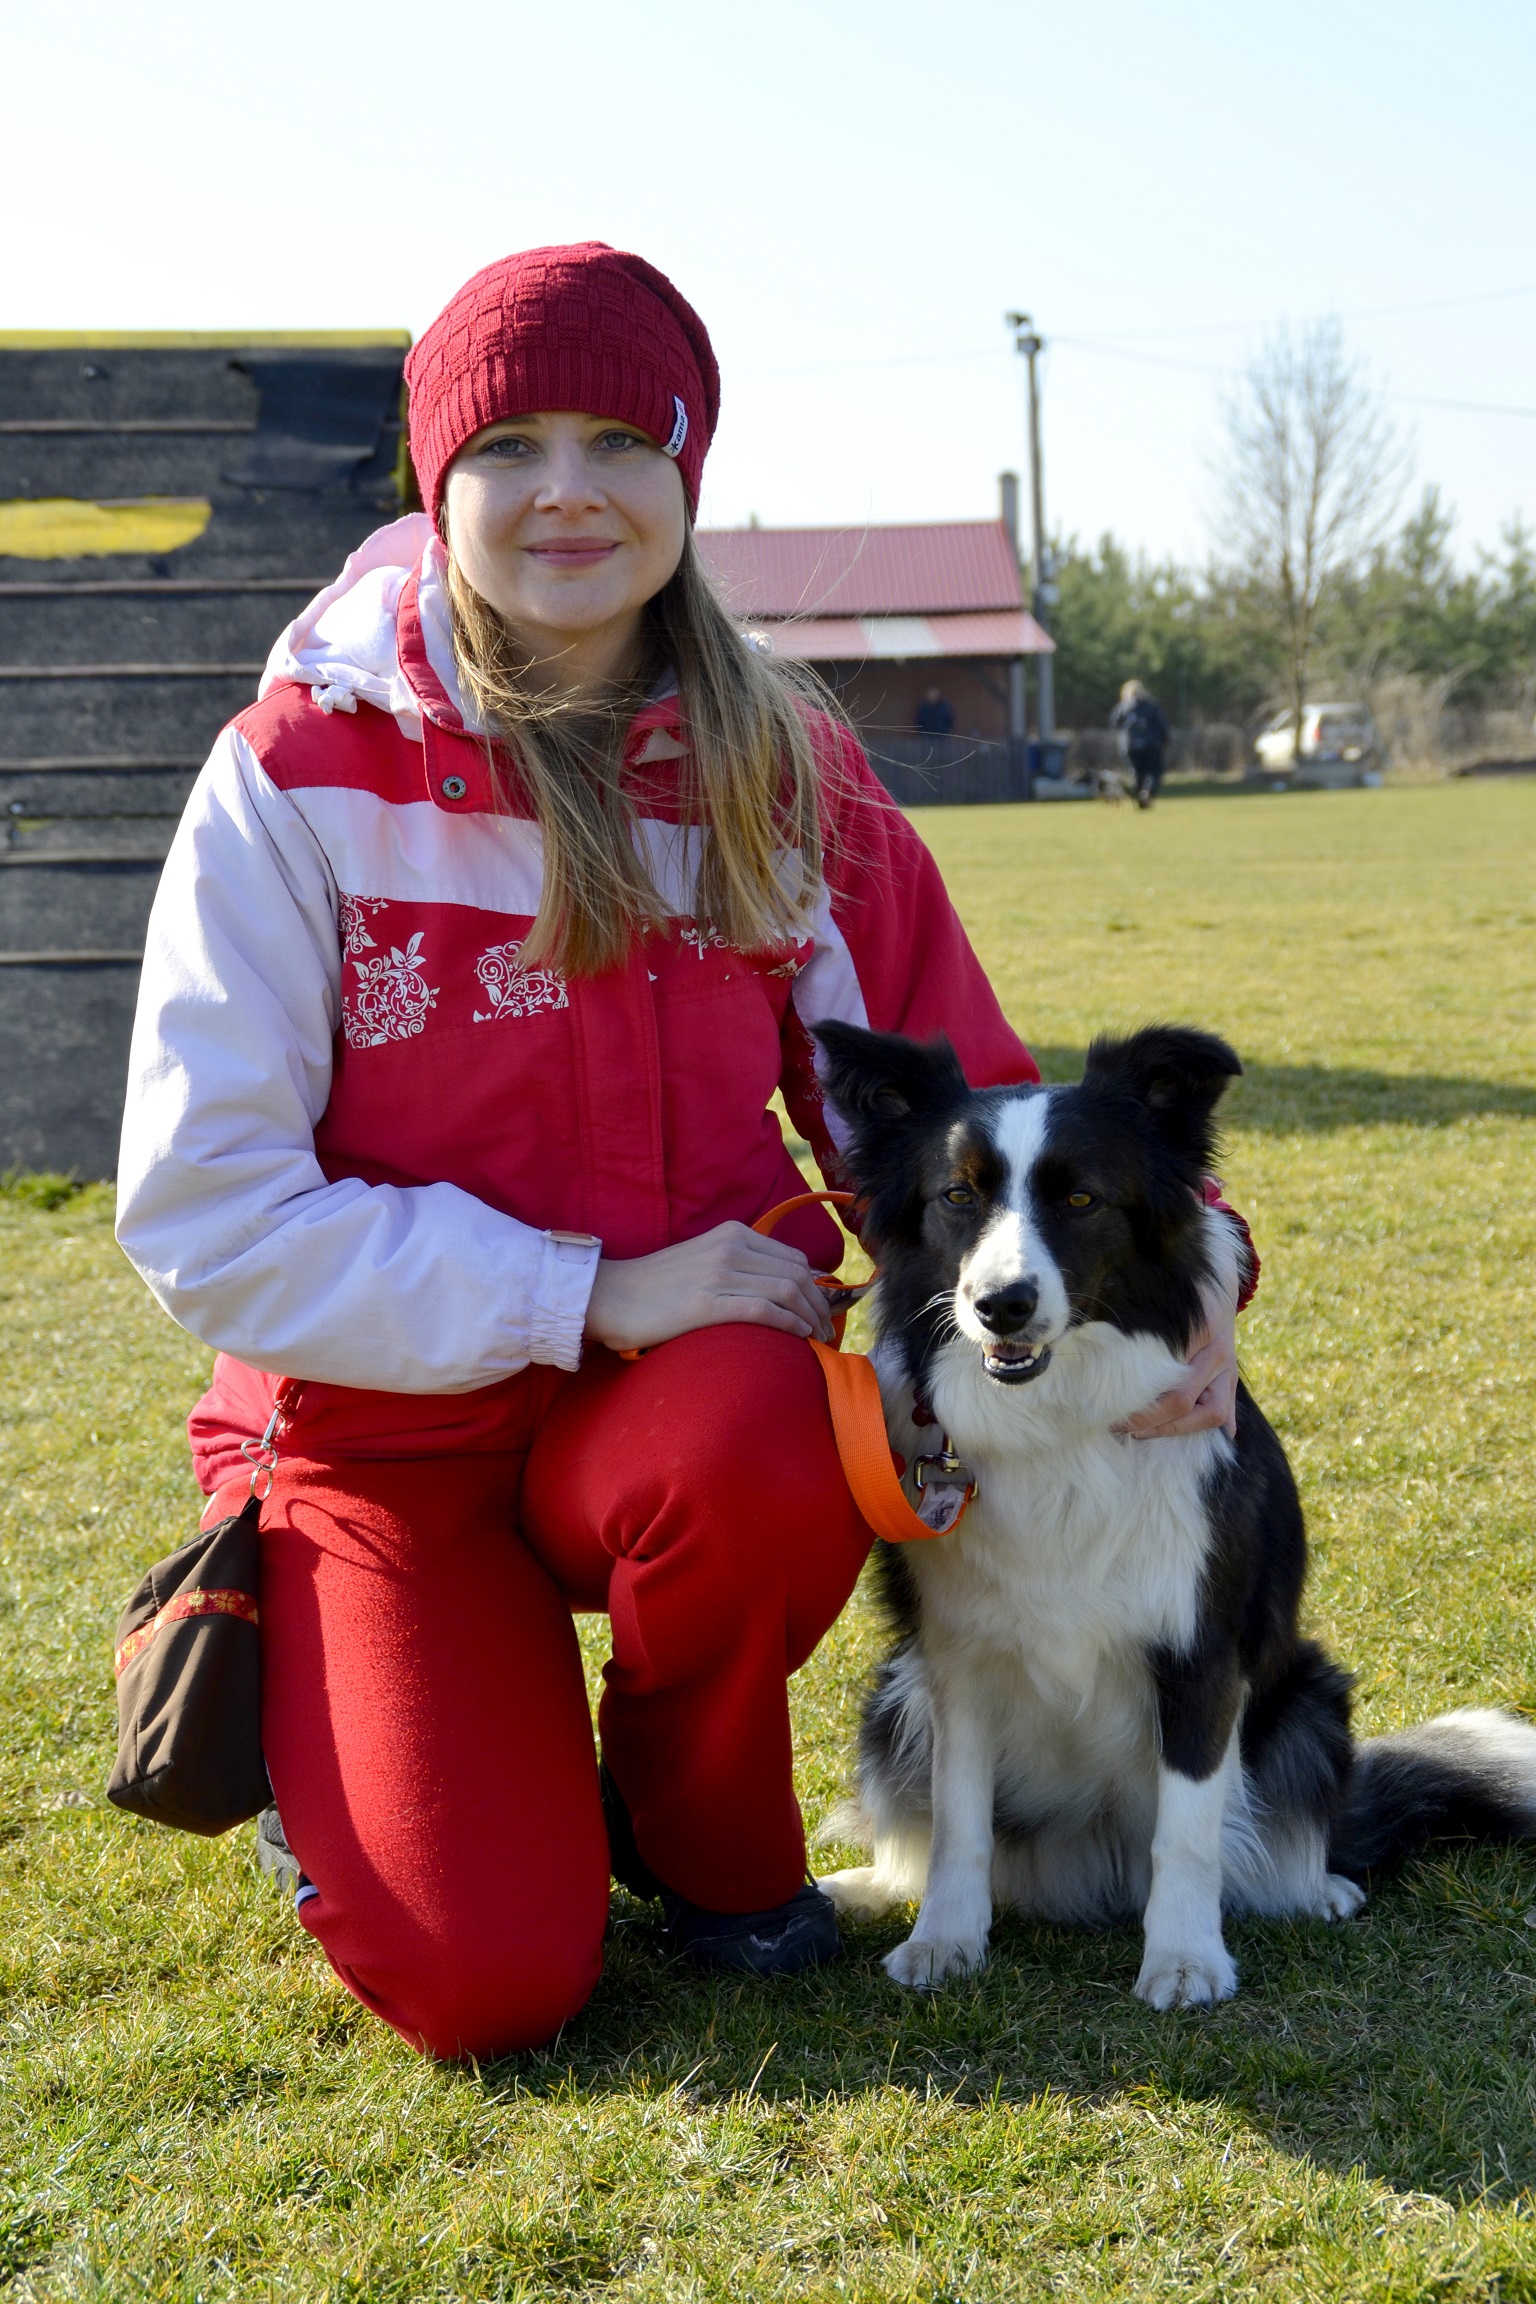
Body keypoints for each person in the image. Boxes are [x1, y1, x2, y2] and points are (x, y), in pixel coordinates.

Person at [115, 244, 1249, 2063]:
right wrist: (587, 1287)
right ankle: (347, 1745)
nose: (567, 490)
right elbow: (205, 1214)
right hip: (378, 1437)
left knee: (766, 1429)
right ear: (435, 481)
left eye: (620, 442)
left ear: (685, 475)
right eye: (509, 446)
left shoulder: (788, 774)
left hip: (684, 1420)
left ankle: (685, 1818)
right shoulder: (294, 772)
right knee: (487, 1984)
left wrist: (1208, 1278)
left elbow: (984, 1125)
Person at [1111, 678, 1171, 808]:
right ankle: (1147, 793)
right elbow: (1162, 724)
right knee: (1154, 771)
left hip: (1129, 745)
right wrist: (1165, 739)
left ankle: (1139, 795)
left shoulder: (1122, 707)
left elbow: (1115, 724)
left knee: (1137, 773)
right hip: (1151, 744)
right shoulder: (1152, 705)